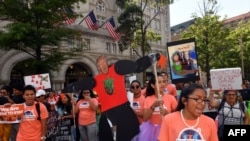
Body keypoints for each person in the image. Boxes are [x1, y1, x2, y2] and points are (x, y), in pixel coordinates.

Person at [94, 55, 140, 141]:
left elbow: (133, 66)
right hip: (108, 112)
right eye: (100, 64)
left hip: (123, 108)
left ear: (107, 63)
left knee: (130, 133)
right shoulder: (96, 80)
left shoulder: (116, 69)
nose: (103, 66)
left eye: (104, 63)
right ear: (98, 67)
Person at [133, 75, 177, 141]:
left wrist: (167, 113)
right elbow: (145, 118)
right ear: (153, 85)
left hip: (167, 129)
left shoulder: (171, 98)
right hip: (151, 132)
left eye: (163, 82)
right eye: (159, 82)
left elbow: (177, 116)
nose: (162, 84)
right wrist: (153, 106)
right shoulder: (148, 99)